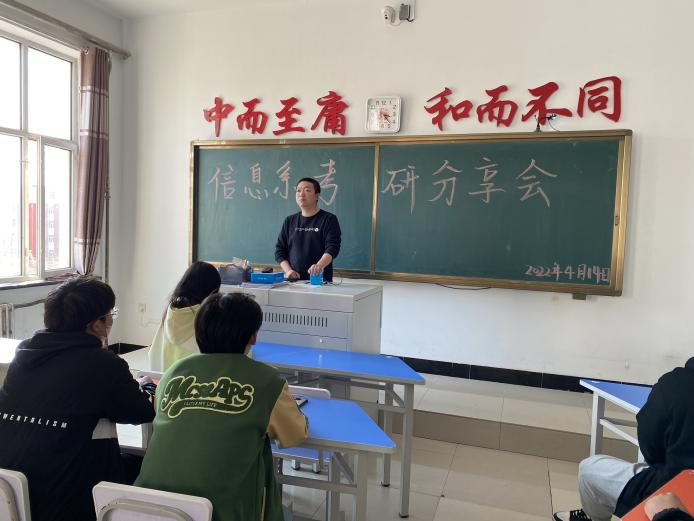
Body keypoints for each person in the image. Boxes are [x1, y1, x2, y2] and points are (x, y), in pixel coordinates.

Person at [135, 291, 308, 521]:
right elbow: (295, 435)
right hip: (223, 512)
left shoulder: (172, 373)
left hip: (147, 509)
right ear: (253, 336)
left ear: (198, 331)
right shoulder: (267, 380)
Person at [0, 276, 155, 521]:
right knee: (142, 464)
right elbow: (141, 412)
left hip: (12, 495)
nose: (111, 321)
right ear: (96, 325)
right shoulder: (104, 364)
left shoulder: (25, 353)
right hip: (65, 500)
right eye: (110, 314)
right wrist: (142, 386)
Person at [553, 357, 694, 521]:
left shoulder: (674, 385)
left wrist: (669, 514)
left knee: (588, 469)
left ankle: (594, 516)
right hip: (680, 483)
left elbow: (649, 448)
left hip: (671, 486)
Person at [148, 261, 222, 371]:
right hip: (195, 380)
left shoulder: (171, 310)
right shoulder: (207, 316)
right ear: (212, 290)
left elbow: (154, 353)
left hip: (165, 378)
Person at [275, 177, 341, 282]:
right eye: (298, 190)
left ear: (317, 195)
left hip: (319, 280)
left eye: (307, 190)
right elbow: (279, 250)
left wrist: (319, 266)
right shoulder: (289, 220)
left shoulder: (328, 219)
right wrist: (288, 271)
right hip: (294, 281)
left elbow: (332, 247)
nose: (301, 194)